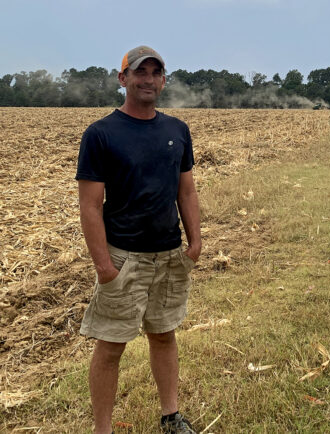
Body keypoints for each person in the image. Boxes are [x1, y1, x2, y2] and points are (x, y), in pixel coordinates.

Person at [76, 45, 201, 434]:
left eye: (155, 73)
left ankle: (170, 417)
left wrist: (195, 242)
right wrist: (104, 267)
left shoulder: (177, 130)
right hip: (124, 257)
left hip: (169, 255)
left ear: (163, 80)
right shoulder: (101, 134)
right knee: (111, 346)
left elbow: (186, 191)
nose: (148, 79)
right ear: (123, 78)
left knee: (164, 335)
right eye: (139, 72)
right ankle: (103, 429)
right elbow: (90, 206)